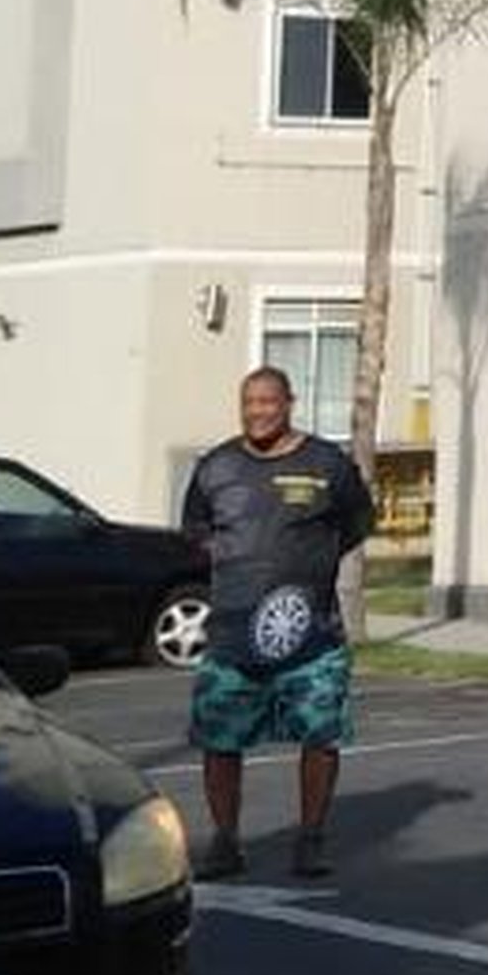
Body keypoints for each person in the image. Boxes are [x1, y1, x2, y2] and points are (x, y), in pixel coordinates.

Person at [178, 361, 376, 887]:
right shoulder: (215, 467)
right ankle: (225, 841)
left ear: (288, 404)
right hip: (231, 638)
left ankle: (310, 837)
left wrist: (308, 565)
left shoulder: (326, 464)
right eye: (248, 403)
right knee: (220, 742)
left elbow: (357, 523)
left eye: (267, 402)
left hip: (312, 638)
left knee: (320, 737)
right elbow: (194, 529)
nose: (257, 413)